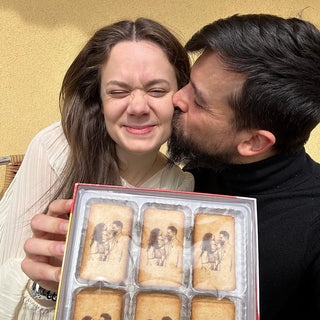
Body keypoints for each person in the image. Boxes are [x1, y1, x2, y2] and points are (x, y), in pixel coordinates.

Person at [0, 18, 193, 319]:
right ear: (98, 100)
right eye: (118, 92)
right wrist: (45, 290)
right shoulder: (55, 149)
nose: (138, 107)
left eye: (156, 91)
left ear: (180, 97)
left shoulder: (183, 186)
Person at [168, 14, 320, 319]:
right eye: (187, 83)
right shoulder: (189, 177)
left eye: (198, 101)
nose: (176, 97)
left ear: (253, 143)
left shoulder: (312, 234)